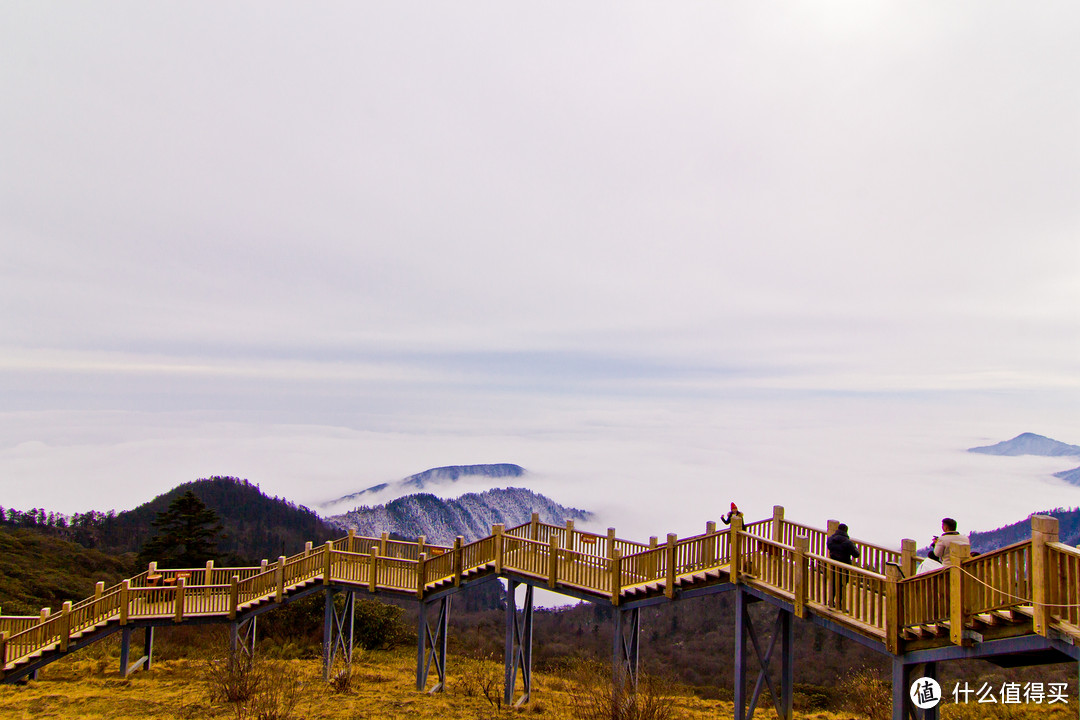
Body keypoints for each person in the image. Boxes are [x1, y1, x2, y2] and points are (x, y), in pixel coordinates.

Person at [827, 523, 860, 610]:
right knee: (842, 584)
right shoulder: (848, 543)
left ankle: (831, 601)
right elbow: (856, 554)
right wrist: (854, 546)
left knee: (834, 583)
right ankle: (840, 604)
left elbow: (830, 547)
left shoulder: (830, 539)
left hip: (833, 564)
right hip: (844, 566)